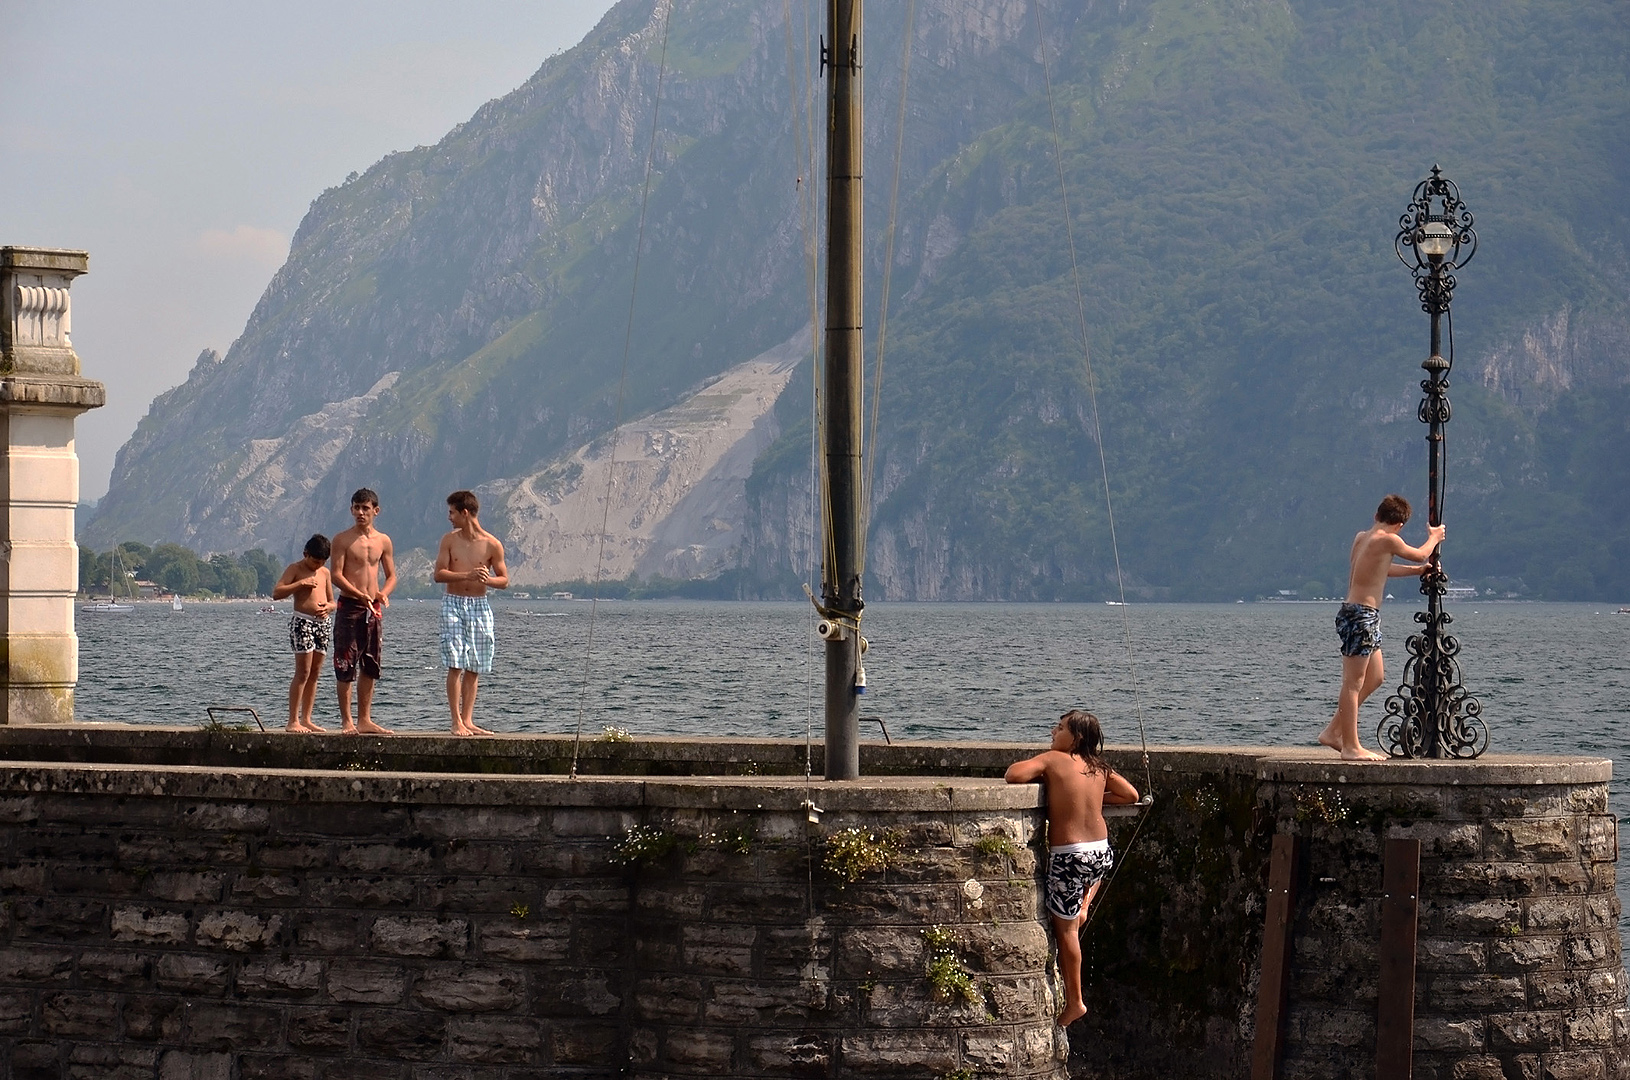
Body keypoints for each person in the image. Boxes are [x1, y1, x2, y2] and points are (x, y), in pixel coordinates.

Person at [1005, 710, 1140, 1027]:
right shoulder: (1098, 766)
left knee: (1066, 932)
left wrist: (1047, 773)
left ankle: (1076, 1001)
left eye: (1061, 727)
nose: (1054, 730)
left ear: (1076, 738)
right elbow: (1131, 795)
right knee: (1087, 890)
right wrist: (1091, 800)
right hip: (1100, 853)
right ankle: (1084, 906)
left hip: (1071, 857)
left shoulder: (1053, 760)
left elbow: (1013, 774)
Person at [1317, 493, 1444, 761]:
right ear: (1399, 525)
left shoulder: (1363, 538)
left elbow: (1381, 569)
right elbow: (1421, 552)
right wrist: (1435, 536)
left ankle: (1333, 731)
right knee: (1353, 683)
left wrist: (1419, 570)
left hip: (1362, 614)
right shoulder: (1389, 539)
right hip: (1360, 615)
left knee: (1375, 677)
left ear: (1377, 515)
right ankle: (1350, 746)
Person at [433, 490, 509, 736]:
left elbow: (504, 580)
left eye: (452, 512)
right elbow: (439, 574)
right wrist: (467, 575)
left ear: (465, 513)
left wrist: (487, 580)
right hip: (453, 602)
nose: (449, 517)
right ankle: (456, 722)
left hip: (479, 604)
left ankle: (468, 720)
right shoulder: (449, 540)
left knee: (475, 663)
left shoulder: (492, 544)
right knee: (455, 661)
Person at [330, 488, 397, 735]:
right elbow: (336, 574)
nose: (360, 513)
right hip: (349, 606)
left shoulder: (383, 541)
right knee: (345, 661)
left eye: (365, 508)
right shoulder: (342, 539)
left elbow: (391, 576)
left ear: (375, 511)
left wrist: (383, 593)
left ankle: (365, 719)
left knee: (370, 663)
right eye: (356, 508)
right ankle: (347, 721)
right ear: (351, 510)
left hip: (373, 608)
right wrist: (358, 593)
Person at [272, 534, 335, 733]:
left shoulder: (324, 572)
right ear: (305, 554)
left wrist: (328, 607)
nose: (317, 566)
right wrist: (300, 584)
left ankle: (306, 718)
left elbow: (333, 600)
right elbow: (277, 592)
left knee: (315, 673)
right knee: (303, 672)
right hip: (303, 622)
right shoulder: (295, 569)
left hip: (322, 624)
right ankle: (293, 720)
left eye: (322, 562)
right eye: (315, 561)